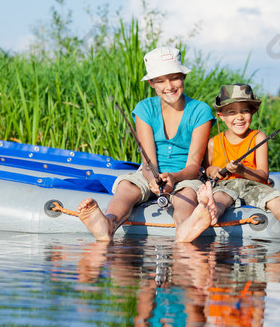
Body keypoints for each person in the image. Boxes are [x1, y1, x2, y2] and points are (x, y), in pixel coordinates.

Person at [77, 46, 214, 242]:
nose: (169, 86)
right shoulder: (144, 109)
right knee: (126, 186)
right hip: (150, 172)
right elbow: (148, 160)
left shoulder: (200, 111)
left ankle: (185, 228)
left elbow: (194, 165)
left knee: (187, 197)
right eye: (160, 80)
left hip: (185, 176)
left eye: (174, 77)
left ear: (183, 77)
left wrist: (174, 177)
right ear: (151, 83)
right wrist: (153, 179)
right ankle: (108, 223)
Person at [176, 84, 280, 242]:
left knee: (275, 199)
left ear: (253, 112)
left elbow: (263, 176)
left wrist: (242, 170)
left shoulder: (258, 138)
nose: (239, 117)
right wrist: (212, 170)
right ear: (221, 115)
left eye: (245, 111)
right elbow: (206, 171)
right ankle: (211, 213)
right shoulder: (213, 143)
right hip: (225, 186)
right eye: (232, 112)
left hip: (254, 185)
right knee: (220, 198)